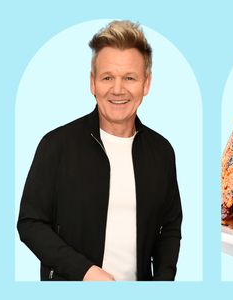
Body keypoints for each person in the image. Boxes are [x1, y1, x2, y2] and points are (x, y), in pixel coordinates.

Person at [17, 20, 182, 281]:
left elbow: (170, 227)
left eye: (129, 77)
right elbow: (30, 224)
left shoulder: (162, 152)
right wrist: (86, 272)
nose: (118, 89)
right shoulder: (56, 145)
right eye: (108, 78)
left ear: (146, 84)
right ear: (93, 83)